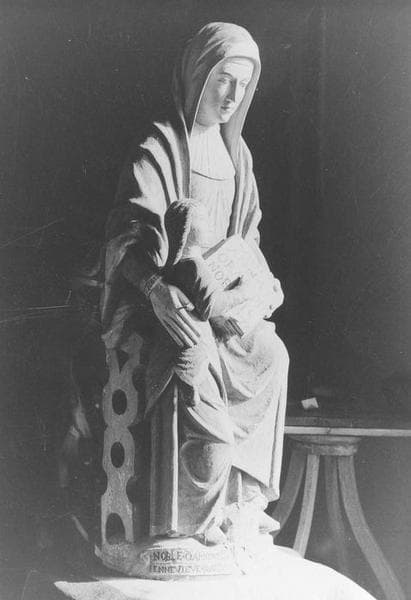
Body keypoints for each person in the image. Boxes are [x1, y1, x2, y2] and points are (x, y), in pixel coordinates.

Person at [102, 22, 289, 546]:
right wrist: (156, 291)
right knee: (190, 355)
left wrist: (254, 290)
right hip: (166, 303)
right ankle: (189, 520)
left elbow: (247, 241)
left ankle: (242, 500)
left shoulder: (238, 157)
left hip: (221, 302)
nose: (231, 96)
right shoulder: (160, 146)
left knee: (271, 354)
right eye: (223, 79)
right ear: (196, 75)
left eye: (242, 85)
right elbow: (124, 241)